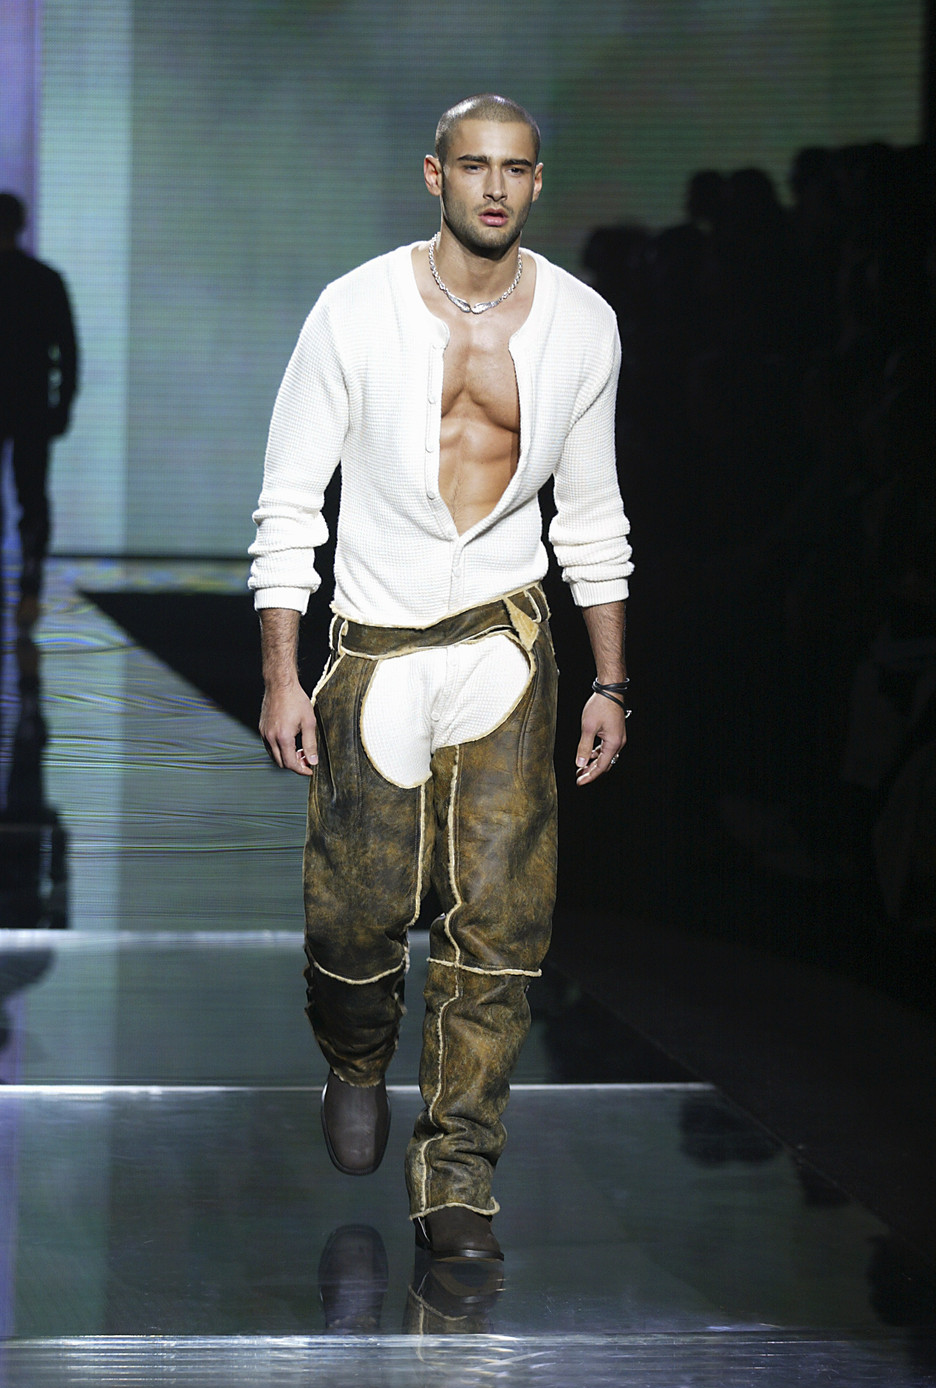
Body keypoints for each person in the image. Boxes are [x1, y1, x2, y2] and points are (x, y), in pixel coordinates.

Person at [248, 94, 633, 1262]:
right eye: (475, 165)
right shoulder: (352, 309)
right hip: (375, 646)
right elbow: (288, 502)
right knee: (355, 914)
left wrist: (612, 679)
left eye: (515, 168)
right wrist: (281, 675)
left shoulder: (584, 323)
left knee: (503, 922)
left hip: (508, 645)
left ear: (537, 180)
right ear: (436, 175)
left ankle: (459, 1175)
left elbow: (593, 513)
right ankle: (356, 1052)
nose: (496, 188)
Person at [0, 193, 78, 630]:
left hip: (28, 406)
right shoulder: (45, 280)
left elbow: (67, 349)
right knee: (32, 498)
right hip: (32, 405)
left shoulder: (45, 279)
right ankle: (29, 589)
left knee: (30, 498)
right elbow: (68, 350)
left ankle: (24, 589)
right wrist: (62, 404)